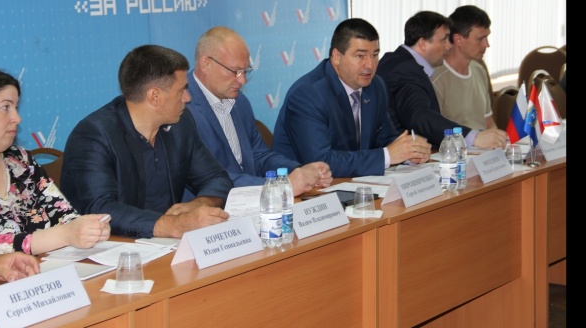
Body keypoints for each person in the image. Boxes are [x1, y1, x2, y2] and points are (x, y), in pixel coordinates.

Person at [60, 44, 233, 239]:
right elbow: (101, 209)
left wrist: (199, 204)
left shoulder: (180, 124)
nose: (188, 98)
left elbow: (217, 178)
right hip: (112, 246)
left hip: (166, 244)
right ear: (154, 96)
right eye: (181, 91)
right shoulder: (93, 135)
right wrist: (173, 225)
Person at [0, 67, 111, 256]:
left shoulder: (20, 161)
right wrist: (66, 235)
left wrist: (88, 229)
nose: (17, 118)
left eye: (16, 108)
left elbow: (63, 214)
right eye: (5, 107)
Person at [271, 18, 431, 178]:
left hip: (353, 182)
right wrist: (387, 156)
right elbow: (319, 162)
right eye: (360, 56)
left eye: (375, 55)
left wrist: (409, 151)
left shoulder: (376, 86)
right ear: (336, 56)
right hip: (307, 188)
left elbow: (384, 139)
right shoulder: (308, 94)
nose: (370, 65)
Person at [185, 26, 333, 196]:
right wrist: (280, 186)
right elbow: (208, 178)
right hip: (208, 206)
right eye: (235, 71)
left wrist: (300, 172)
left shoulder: (240, 102)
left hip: (250, 202)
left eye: (245, 71)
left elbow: (259, 156)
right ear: (206, 64)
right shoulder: (182, 109)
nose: (243, 80)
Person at [376, 11, 508, 148]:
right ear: (423, 43)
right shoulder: (404, 69)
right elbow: (420, 117)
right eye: (444, 40)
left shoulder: (400, 62)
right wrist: (471, 137)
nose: (449, 46)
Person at [430, 5, 497, 130]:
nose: (486, 44)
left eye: (487, 37)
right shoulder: (435, 78)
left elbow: (488, 123)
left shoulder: (479, 70)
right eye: (480, 39)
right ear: (458, 39)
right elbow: (434, 131)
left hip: (484, 141)